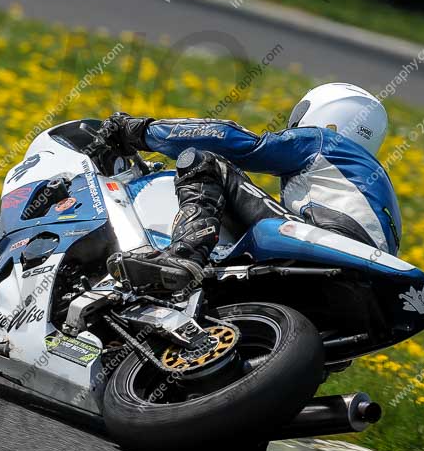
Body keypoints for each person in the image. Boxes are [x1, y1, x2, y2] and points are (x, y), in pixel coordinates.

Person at [99, 82, 402, 293]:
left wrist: (139, 131)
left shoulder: (325, 141)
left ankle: (183, 258)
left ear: (328, 117)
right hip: (362, 283)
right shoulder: (374, 185)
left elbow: (233, 141)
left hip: (326, 244)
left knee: (207, 162)